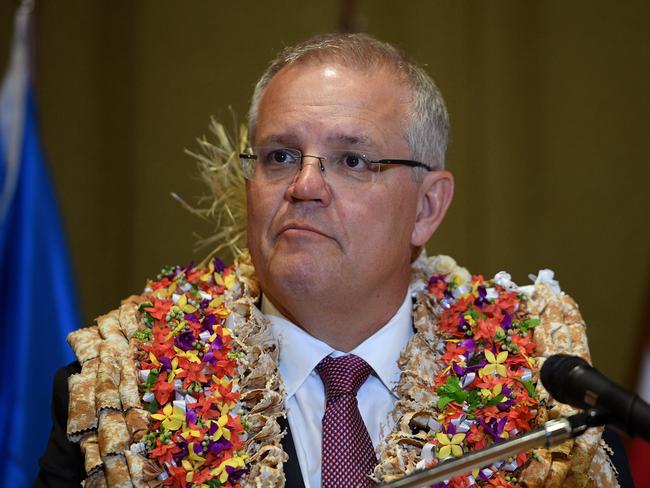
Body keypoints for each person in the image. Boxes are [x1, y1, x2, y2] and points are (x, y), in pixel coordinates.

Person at [36, 33, 632, 488]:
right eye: (279, 156)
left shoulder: (547, 396)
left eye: (351, 161)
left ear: (427, 207)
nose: (304, 185)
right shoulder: (124, 388)